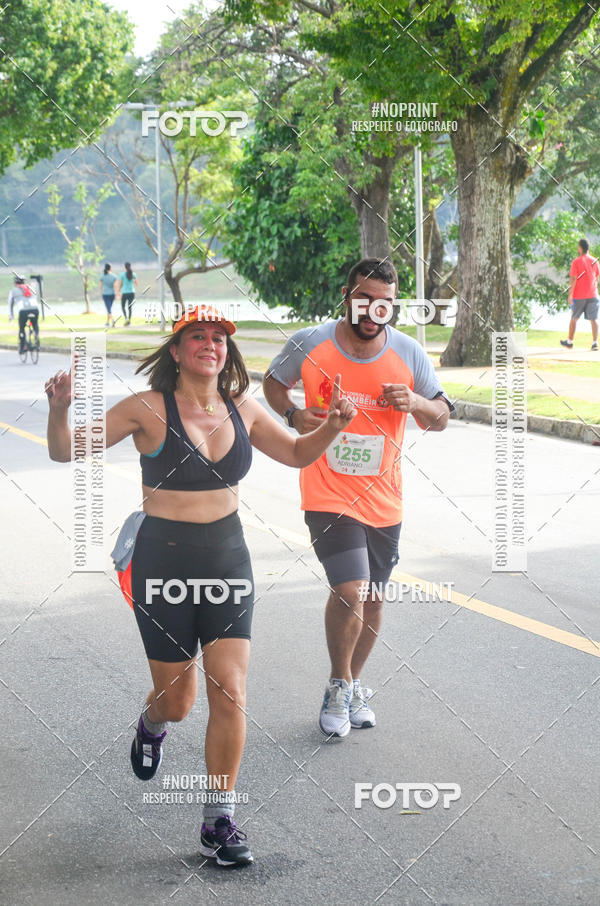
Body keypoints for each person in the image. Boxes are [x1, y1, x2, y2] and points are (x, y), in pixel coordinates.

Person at [44, 305, 356, 866]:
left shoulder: (243, 407)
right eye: (196, 337)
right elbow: (66, 450)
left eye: (218, 338)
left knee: (231, 689)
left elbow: (294, 453)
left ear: (227, 352)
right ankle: (151, 723)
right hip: (161, 565)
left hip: (228, 561)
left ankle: (219, 818)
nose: (209, 345)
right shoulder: (147, 409)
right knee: (179, 701)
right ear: (176, 350)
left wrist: (331, 427)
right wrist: (60, 411)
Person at [263, 258, 452, 738]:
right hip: (327, 492)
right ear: (348, 296)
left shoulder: (408, 354)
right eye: (365, 300)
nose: (373, 311)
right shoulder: (311, 342)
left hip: (384, 498)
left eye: (385, 304)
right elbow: (272, 382)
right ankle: (338, 684)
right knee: (350, 589)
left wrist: (417, 404)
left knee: (372, 598)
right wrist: (292, 414)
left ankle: (352, 684)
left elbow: (441, 416)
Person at [560, 238, 599, 351]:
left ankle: (570, 342)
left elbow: (573, 279)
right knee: (594, 319)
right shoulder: (594, 261)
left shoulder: (576, 261)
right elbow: (597, 277)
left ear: (580, 248)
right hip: (593, 294)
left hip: (579, 295)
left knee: (574, 318)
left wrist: (570, 294)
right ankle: (595, 343)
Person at [8, 275, 39, 353]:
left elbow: (10, 304)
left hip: (23, 311)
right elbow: (35, 299)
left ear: (15, 283)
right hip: (35, 310)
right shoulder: (31, 288)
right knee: (34, 324)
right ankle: (36, 336)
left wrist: (11, 316)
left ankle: (23, 347)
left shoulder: (13, 291)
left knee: (22, 328)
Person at [100, 263, 117, 328]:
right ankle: (107, 322)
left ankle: (112, 320)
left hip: (105, 294)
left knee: (108, 309)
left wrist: (101, 293)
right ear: (110, 268)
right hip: (112, 294)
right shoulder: (114, 276)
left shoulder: (102, 276)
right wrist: (117, 293)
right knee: (109, 308)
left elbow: (100, 286)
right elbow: (115, 286)